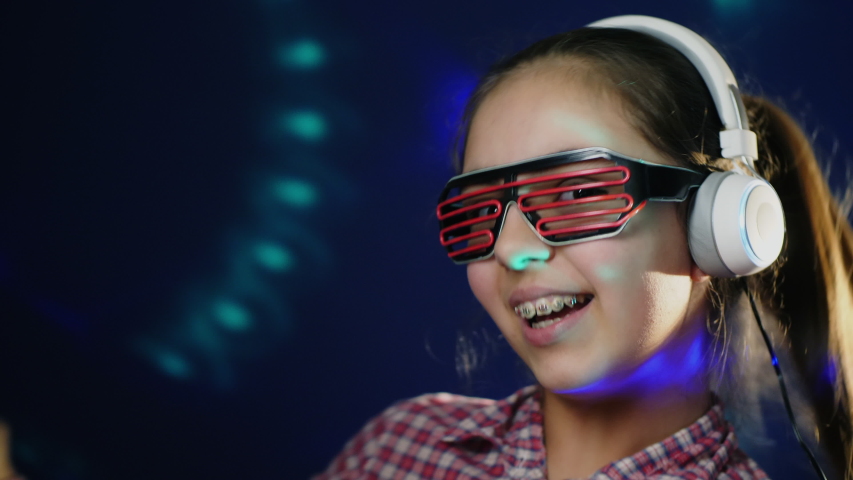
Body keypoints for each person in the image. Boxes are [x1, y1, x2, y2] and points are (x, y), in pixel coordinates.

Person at [314, 15, 853, 480]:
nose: (512, 251)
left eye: (577, 192)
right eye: (480, 211)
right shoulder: (400, 449)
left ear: (714, 223)